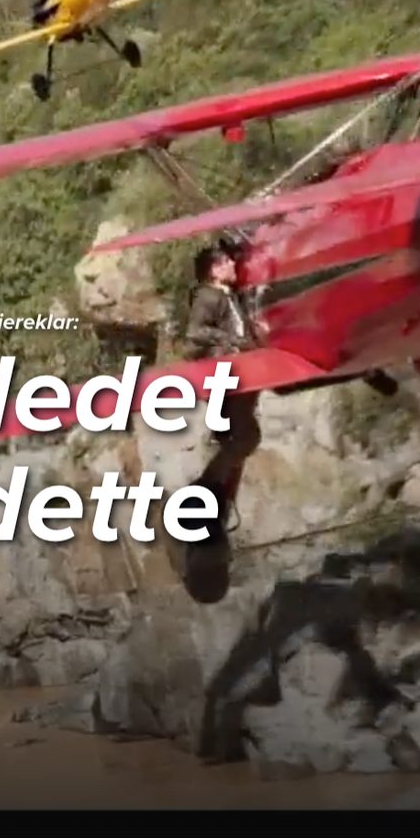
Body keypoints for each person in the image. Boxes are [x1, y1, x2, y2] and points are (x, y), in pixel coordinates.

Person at [169, 240, 264, 604]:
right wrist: (233, 342)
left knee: (239, 442)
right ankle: (208, 485)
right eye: (224, 261)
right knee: (243, 440)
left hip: (240, 373)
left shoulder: (226, 295)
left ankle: (210, 488)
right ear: (212, 269)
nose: (230, 265)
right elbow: (194, 336)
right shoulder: (208, 297)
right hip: (229, 374)